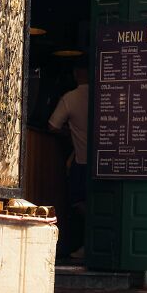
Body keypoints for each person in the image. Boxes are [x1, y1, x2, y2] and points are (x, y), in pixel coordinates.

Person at [48, 61, 89, 260]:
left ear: (76, 73)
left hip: (82, 160)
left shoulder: (71, 98)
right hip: (108, 160)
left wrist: (70, 133)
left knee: (80, 203)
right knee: (96, 203)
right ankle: (91, 244)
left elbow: (53, 125)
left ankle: (90, 243)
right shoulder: (107, 93)